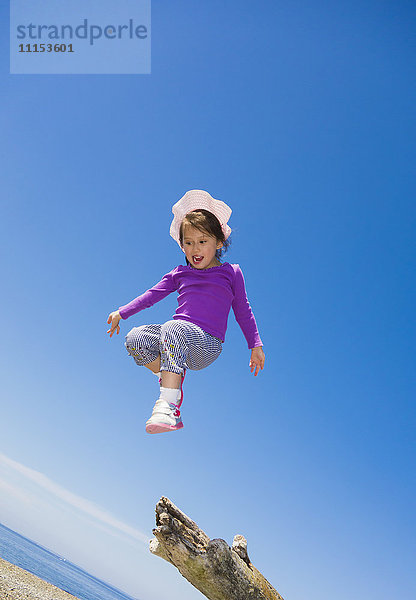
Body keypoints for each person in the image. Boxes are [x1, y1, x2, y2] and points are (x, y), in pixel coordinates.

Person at [107, 189, 265, 434]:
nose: (195, 249)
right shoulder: (180, 274)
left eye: (203, 241)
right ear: (182, 245)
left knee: (173, 327)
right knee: (135, 338)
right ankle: (172, 380)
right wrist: (122, 312)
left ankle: (169, 404)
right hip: (175, 341)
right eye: (189, 243)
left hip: (206, 345)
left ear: (219, 242)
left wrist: (255, 345)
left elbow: (243, 310)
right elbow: (152, 295)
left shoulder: (231, 273)